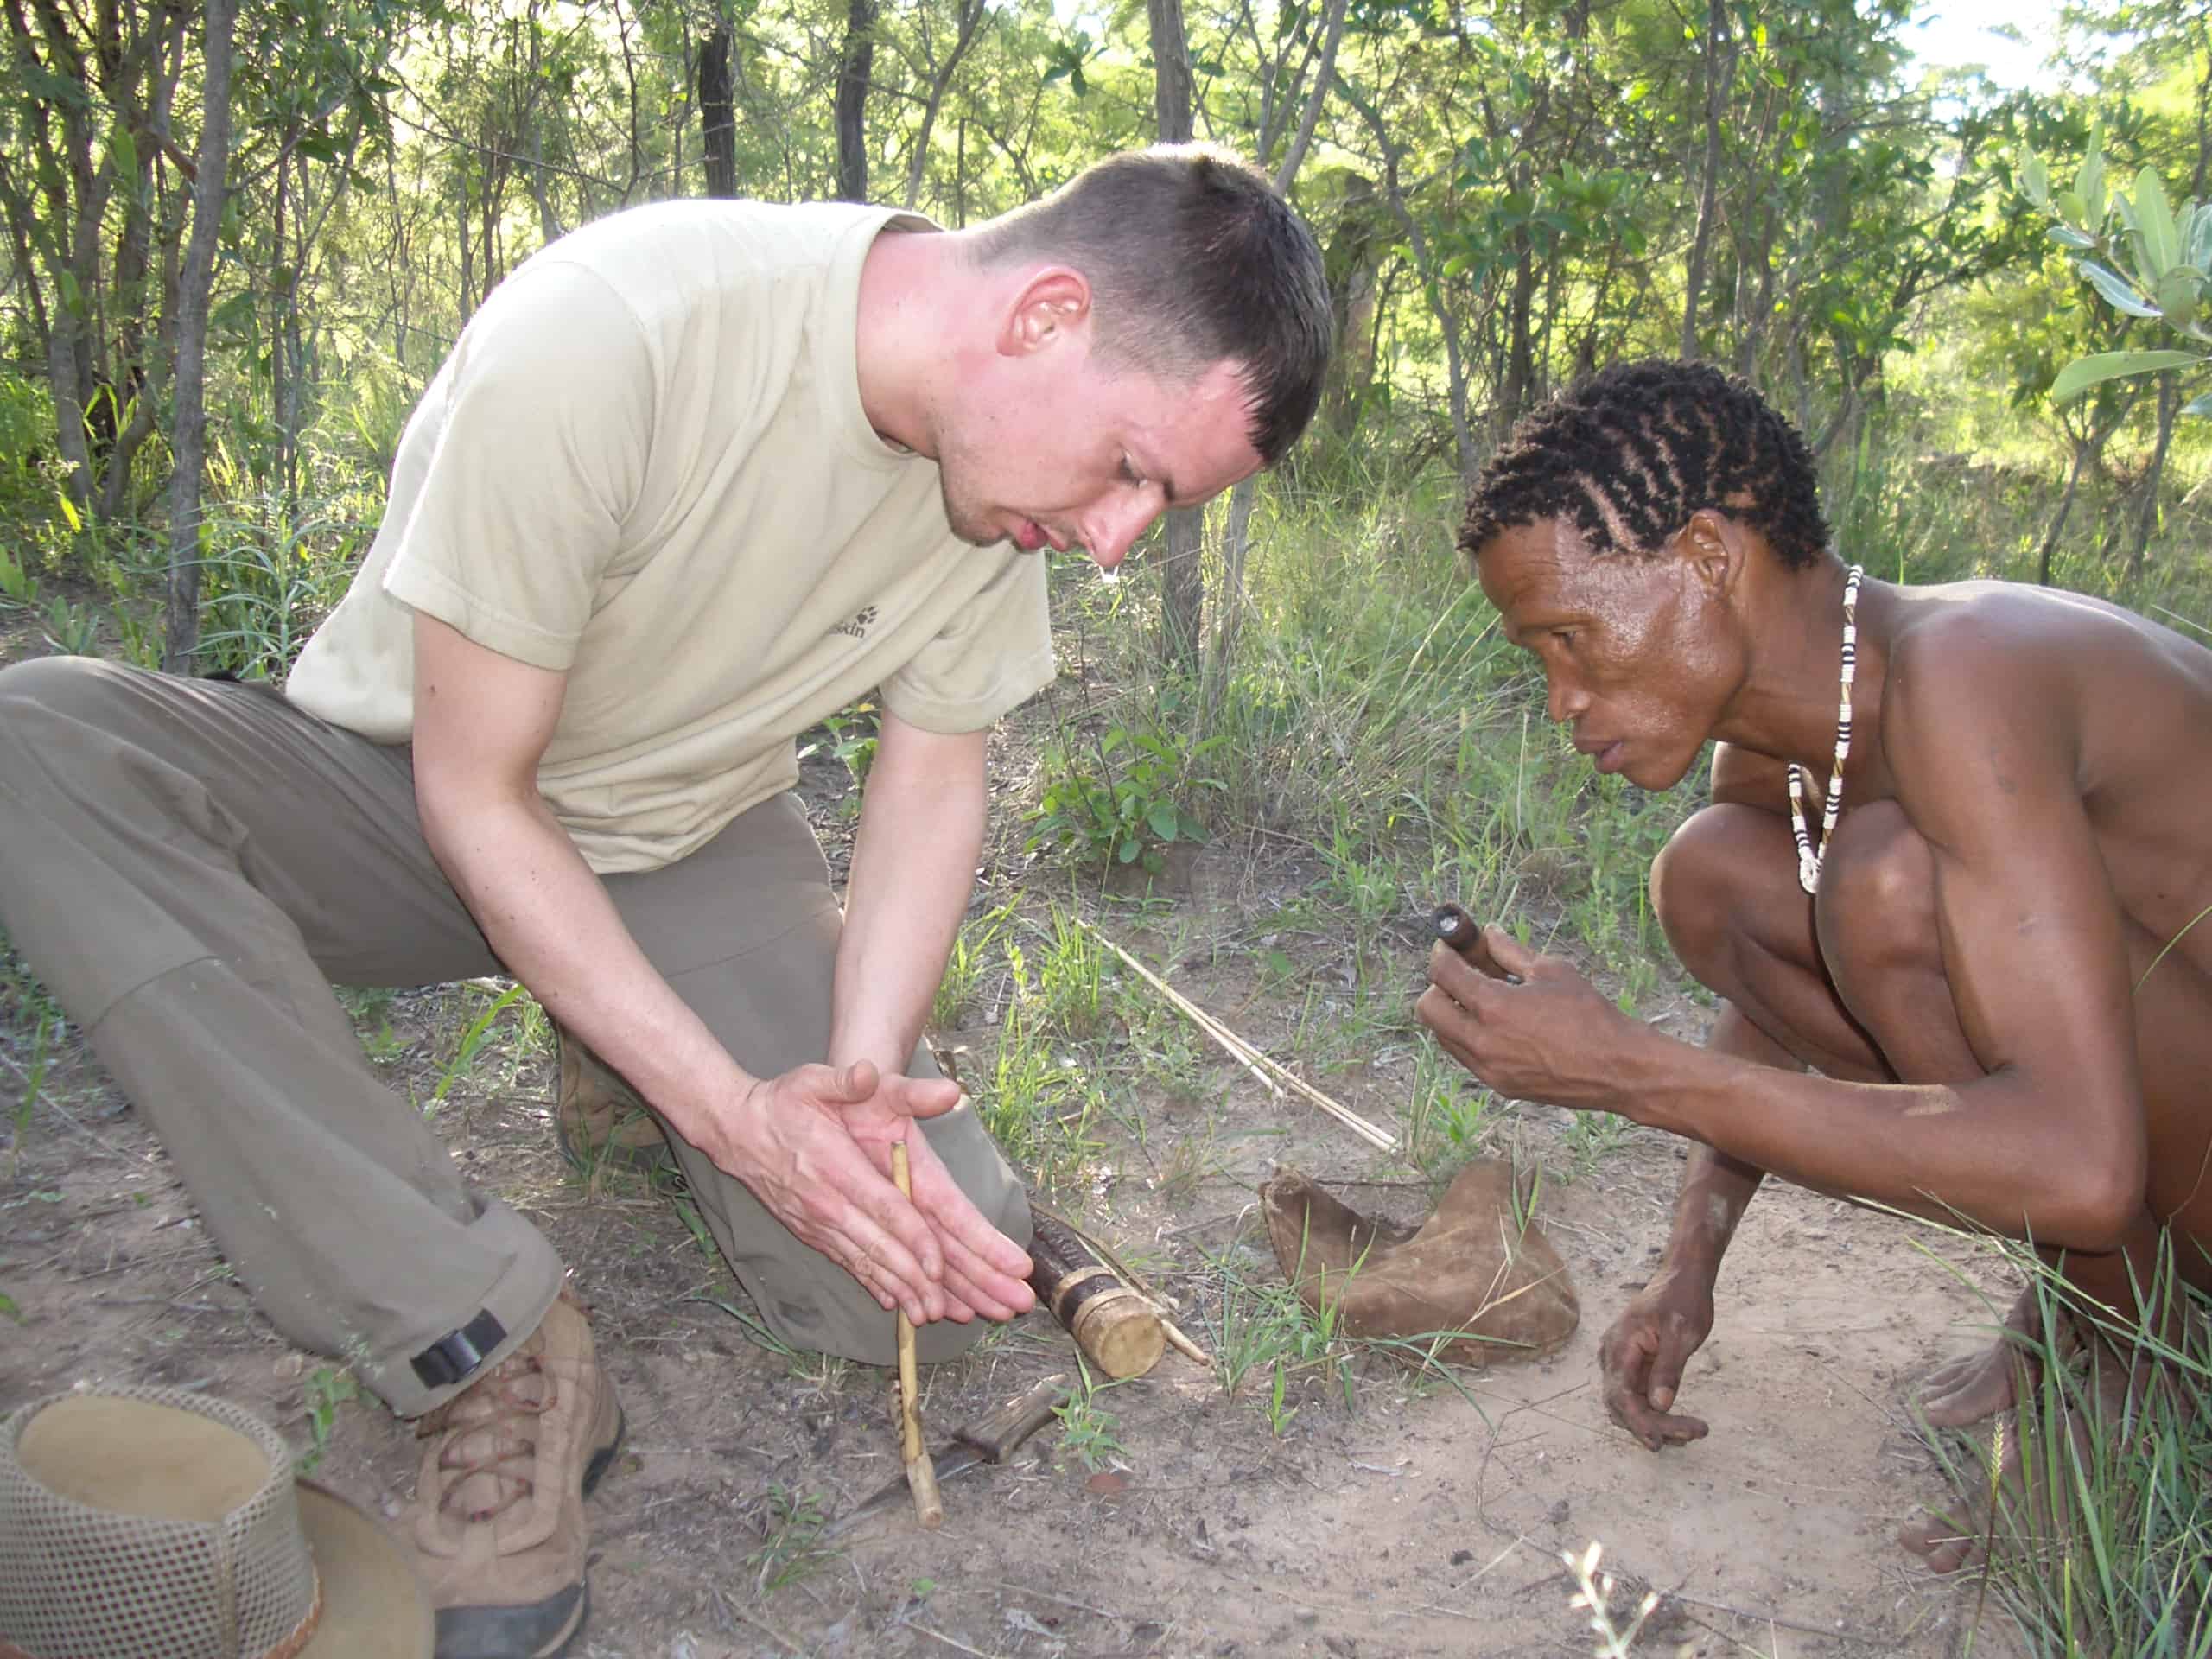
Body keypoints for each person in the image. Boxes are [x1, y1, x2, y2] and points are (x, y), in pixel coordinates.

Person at [0, 144, 1332, 1657]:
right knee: (36, 745)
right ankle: (485, 1341)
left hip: (685, 835)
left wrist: (859, 1080)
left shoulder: (998, 480)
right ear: (1043, 319)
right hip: (411, 800)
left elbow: (931, 780)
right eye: (1134, 472)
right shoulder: (618, 332)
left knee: (898, 1287)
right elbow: (477, 794)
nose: (1114, 539)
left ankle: (618, 1049)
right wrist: (725, 1111)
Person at [1416, 359, 2212, 1571]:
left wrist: (1632, 1071)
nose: (1562, 700)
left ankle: (2152, 1372)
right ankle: (2094, 1310)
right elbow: (1779, 1011)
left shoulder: (1963, 672)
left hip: (2139, 1148)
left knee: (1884, 888)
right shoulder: (1800, 732)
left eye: (1569, 638)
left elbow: (2084, 1164)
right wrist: (1690, 1267)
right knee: (1719, 880)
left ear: (1708, 556)